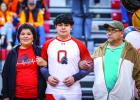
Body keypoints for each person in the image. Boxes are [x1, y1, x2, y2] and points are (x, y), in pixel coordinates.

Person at [39, 14, 93, 100]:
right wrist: (47, 76)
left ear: (71, 27)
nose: (63, 27)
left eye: (66, 25)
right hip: (52, 90)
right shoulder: (47, 44)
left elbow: (90, 66)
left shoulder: (79, 44)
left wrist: (75, 77)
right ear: (55, 27)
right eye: (60, 25)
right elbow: (42, 65)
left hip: (73, 90)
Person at [91, 20, 140, 100]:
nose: (109, 33)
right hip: (100, 97)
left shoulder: (131, 51)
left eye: (113, 30)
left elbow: (138, 74)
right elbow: (89, 66)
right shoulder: (99, 50)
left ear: (122, 34)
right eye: (108, 30)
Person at [1, 24, 46, 100]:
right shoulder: (12, 53)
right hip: (16, 96)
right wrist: (5, 95)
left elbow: (50, 69)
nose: (25, 36)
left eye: (29, 34)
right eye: (22, 34)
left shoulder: (40, 51)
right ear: (18, 36)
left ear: (33, 37)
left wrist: (46, 64)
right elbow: (5, 74)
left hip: (36, 96)